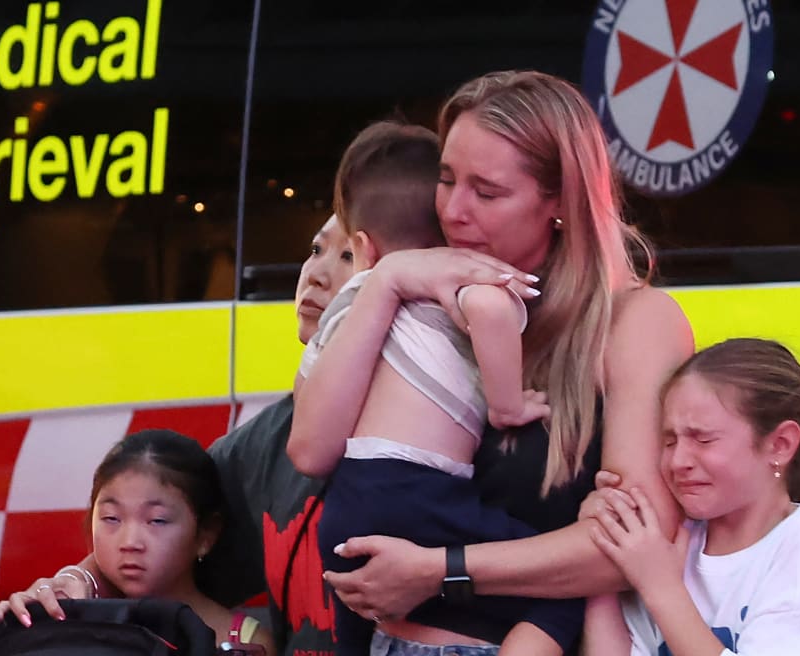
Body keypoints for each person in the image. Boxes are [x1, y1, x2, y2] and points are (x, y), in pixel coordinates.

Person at [291, 69, 693, 655]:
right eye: (446, 179)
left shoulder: (633, 323)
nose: (453, 211)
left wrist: (439, 569)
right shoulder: (420, 294)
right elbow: (310, 450)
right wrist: (386, 282)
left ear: (560, 202)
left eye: (487, 192)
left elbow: (632, 547)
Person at [0, 214, 356, 656]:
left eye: (350, 255)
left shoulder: (447, 423)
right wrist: (75, 582)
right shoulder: (265, 442)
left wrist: (442, 570)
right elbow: (155, 516)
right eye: (315, 249)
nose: (315, 273)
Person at [290, 120, 580, 656]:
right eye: (451, 184)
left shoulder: (347, 309)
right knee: (563, 598)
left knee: (356, 619)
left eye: (485, 190)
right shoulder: (461, 280)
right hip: (415, 495)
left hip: (344, 511)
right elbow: (492, 311)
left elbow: (307, 431)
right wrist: (507, 403)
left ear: (361, 245)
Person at [579, 338, 800, 656]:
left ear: (780, 445)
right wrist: (605, 553)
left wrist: (660, 588)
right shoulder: (669, 543)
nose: (679, 460)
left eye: (703, 438)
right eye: (669, 441)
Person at [0, 429, 275, 656]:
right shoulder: (60, 612)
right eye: (111, 519)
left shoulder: (247, 642)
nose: (130, 541)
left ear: (205, 536)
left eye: (156, 521)